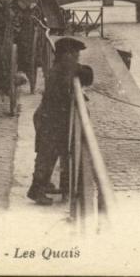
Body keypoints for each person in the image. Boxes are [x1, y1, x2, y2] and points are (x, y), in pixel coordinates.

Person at [28, 37, 93, 206]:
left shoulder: (60, 67)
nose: (78, 56)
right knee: (47, 155)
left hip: (48, 117)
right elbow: (87, 75)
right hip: (51, 120)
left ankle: (45, 184)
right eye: (76, 53)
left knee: (49, 152)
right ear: (68, 54)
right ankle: (36, 190)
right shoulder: (66, 66)